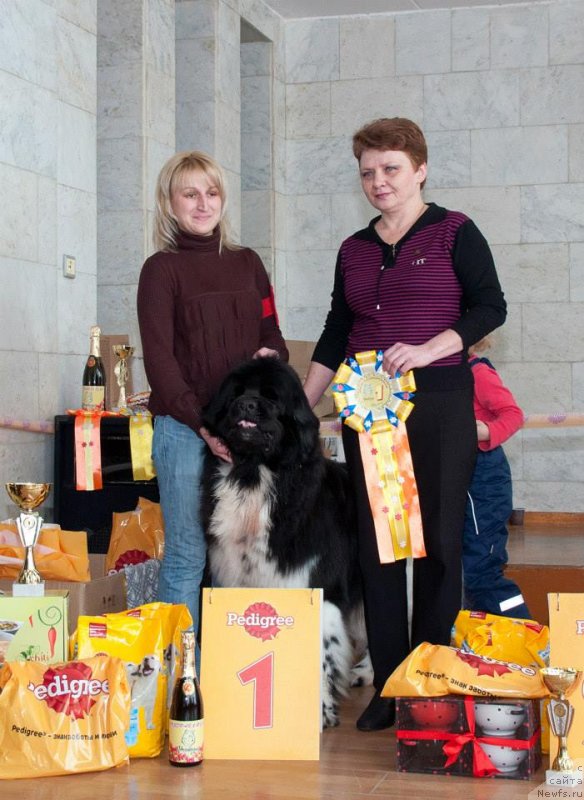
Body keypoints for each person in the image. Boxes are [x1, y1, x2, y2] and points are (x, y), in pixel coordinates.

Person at [303, 118, 507, 731]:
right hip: (371, 410)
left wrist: (430, 347)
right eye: (367, 171)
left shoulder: (455, 232)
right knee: (382, 549)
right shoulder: (353, 249)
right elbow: (338, 331)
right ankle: (392, 687)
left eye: (390, 168)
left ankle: (431, 681)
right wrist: (300, 403)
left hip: (442, 403)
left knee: (441, 546)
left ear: (419, 168)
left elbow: (490, 305)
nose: (378, 181)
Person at [137, 151, 288, 658]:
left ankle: (231, 670)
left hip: (245, 433)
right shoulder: (160, 271)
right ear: (170, 203)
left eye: (212, 192)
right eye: (190, 193)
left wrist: (273, 356)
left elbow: (273, 333)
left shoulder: (248, 263)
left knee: (242, 555)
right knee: (186, 553)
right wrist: (204, 426)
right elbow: (159, 361)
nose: (203, 204)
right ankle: (177, 681)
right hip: (184, 430)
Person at [463, 337, 531, 619]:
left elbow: (513, 415)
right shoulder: (445, 376)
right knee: (466, 570)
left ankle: (526, 631)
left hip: (484, 480)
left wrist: (483, 431)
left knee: (482, 570)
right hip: (463, 478)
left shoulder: (477, 371)